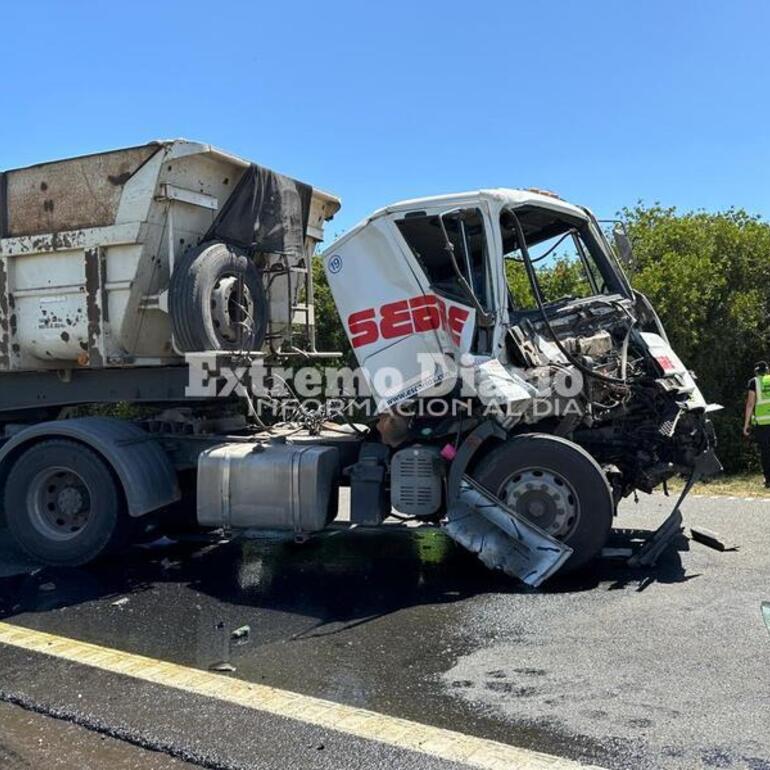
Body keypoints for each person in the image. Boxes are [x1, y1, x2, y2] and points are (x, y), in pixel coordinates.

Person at [744, 360, 770, 487]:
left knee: (766, 452)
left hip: (762, 423)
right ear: (767, 370)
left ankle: (768, 480)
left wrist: (746, 424)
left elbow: (750, 404)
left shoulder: (754, 382)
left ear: (756, 371)